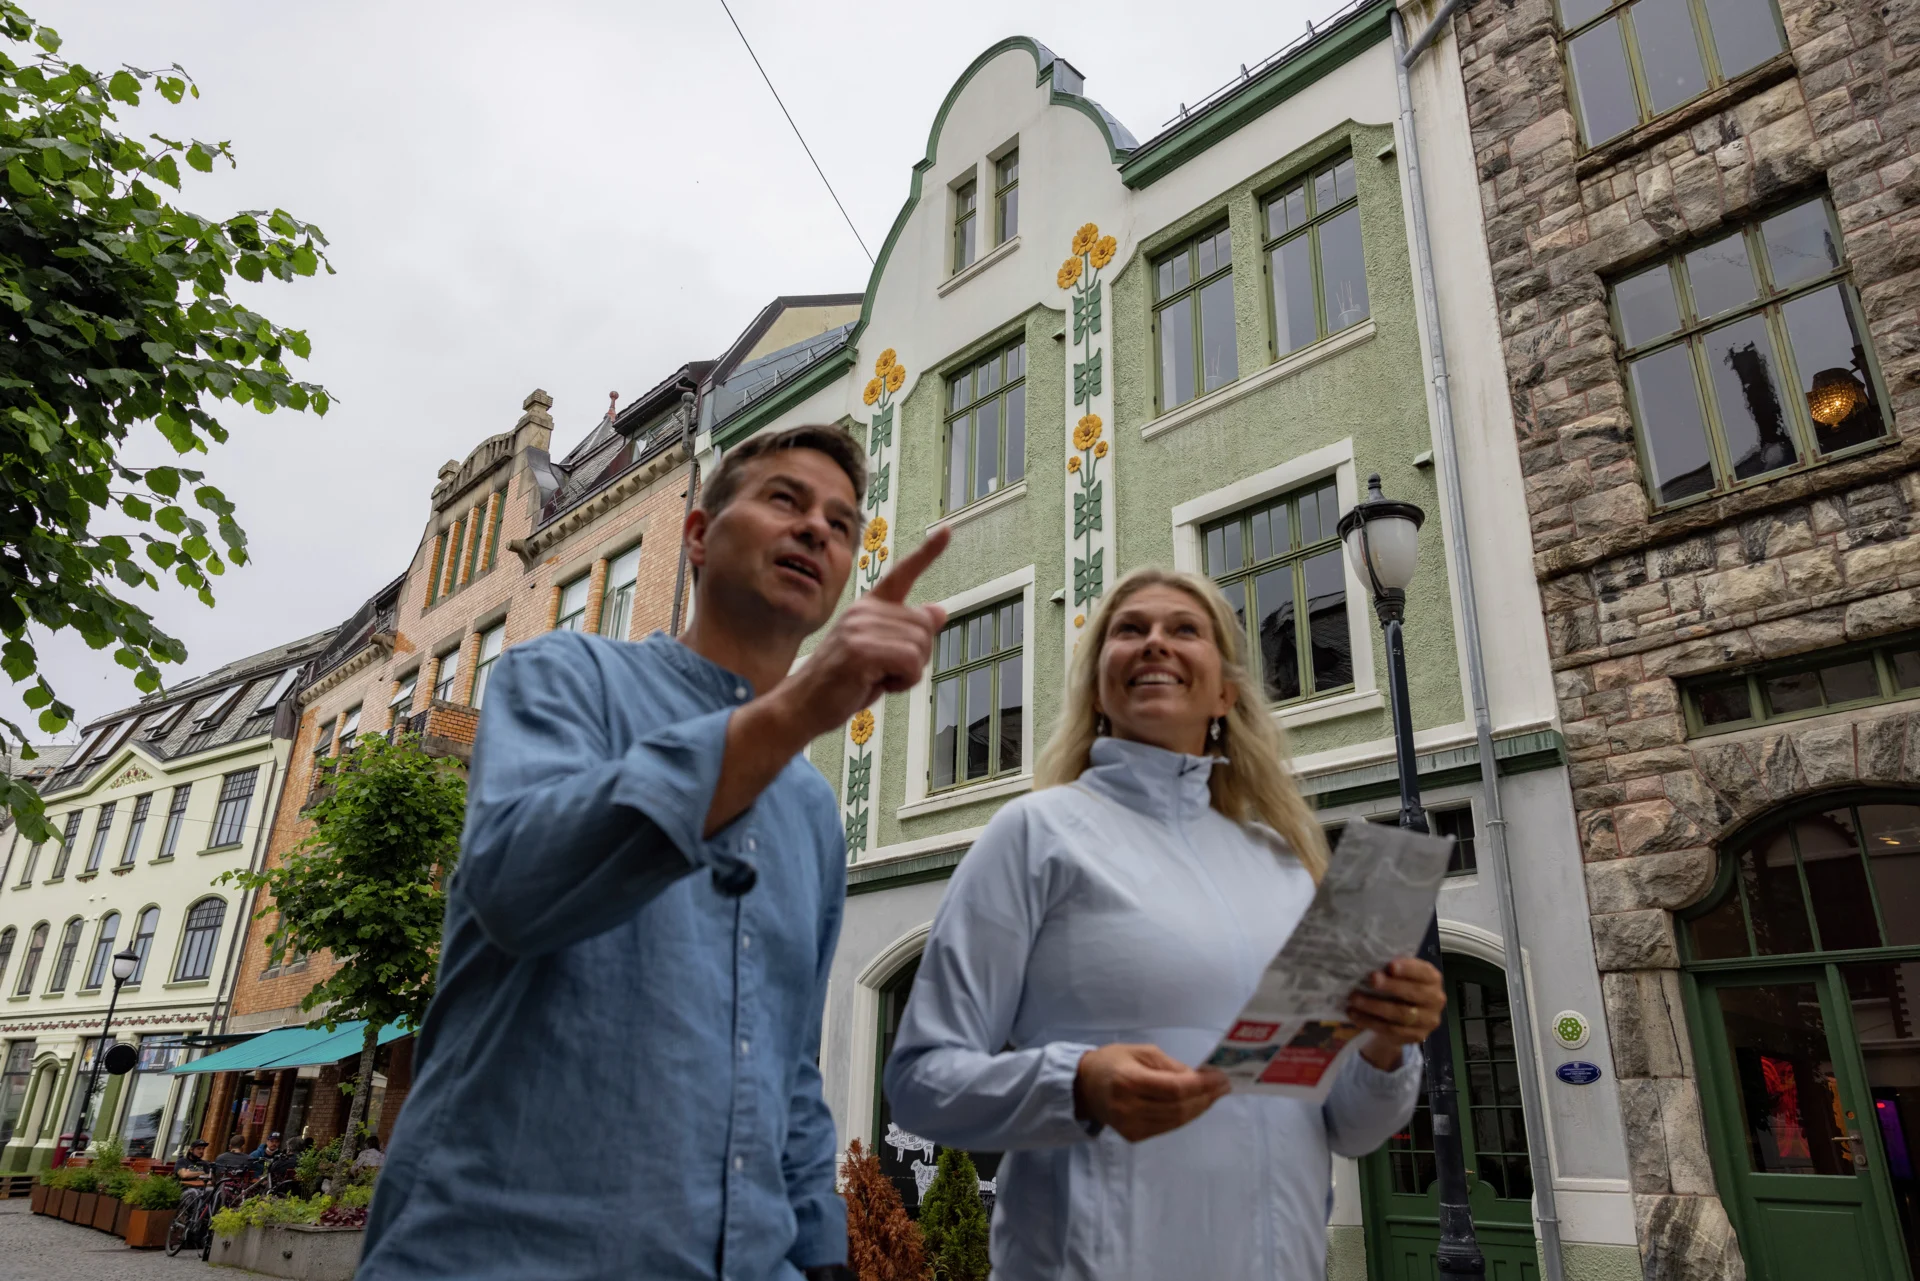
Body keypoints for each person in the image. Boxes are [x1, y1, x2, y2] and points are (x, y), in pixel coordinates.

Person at [358, 425, 951, 1281]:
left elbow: (785, 1064)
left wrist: (822, 1254)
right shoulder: (560, 677)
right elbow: (518, 885)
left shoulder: (814, 810)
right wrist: (796, 712)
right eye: (785, 499)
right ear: (700, 536)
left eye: (843, 521)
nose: (819, 527)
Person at [883, 568, 1448, 1280]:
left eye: (1184, 628)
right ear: (1097, 686)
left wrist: (1386, 1047)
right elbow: (920, 1081)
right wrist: (1078, 1084)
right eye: (1130, 629)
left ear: (1225, 691)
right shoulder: (1036, 834)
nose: (1155, 642)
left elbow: (1347, 1126)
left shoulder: (1283, 864)